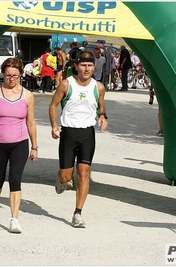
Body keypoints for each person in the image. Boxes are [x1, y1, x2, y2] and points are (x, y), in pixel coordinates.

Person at [49, 51, 108, 228]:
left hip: (87, 134)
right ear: (76, 66)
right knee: (67, 175)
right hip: (68, 133)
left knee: (83, 174)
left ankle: (78, 213)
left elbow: (101, 106)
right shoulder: (66, 85)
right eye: (83, 65)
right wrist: (54, 125)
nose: (87, 68)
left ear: (94, 66)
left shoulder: (98, 87)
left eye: (90, 65)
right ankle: (60, 180)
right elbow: (53, 105)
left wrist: (103, 116)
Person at [0, 57, 38, 234]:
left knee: (15, 179)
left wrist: (34, 146)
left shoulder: (27, 95)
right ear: (3, 74)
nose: (11, 79)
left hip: (19, 143)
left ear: (21, 74)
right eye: (8, 75)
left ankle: (14, 219)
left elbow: (31, 122)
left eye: (15, 75)